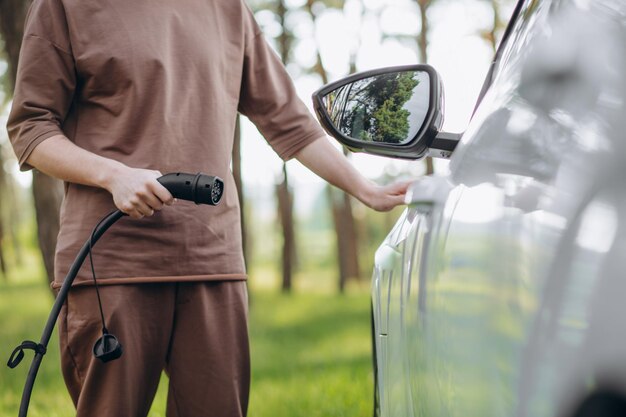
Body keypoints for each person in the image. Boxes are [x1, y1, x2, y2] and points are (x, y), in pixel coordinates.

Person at [6, 0, 409, 416]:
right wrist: (113, 176)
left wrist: (367, 190)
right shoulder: (64, 6)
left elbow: (289, 121)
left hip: (212, 259)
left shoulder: (228, 9)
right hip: (110, 261)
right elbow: (30, 128)